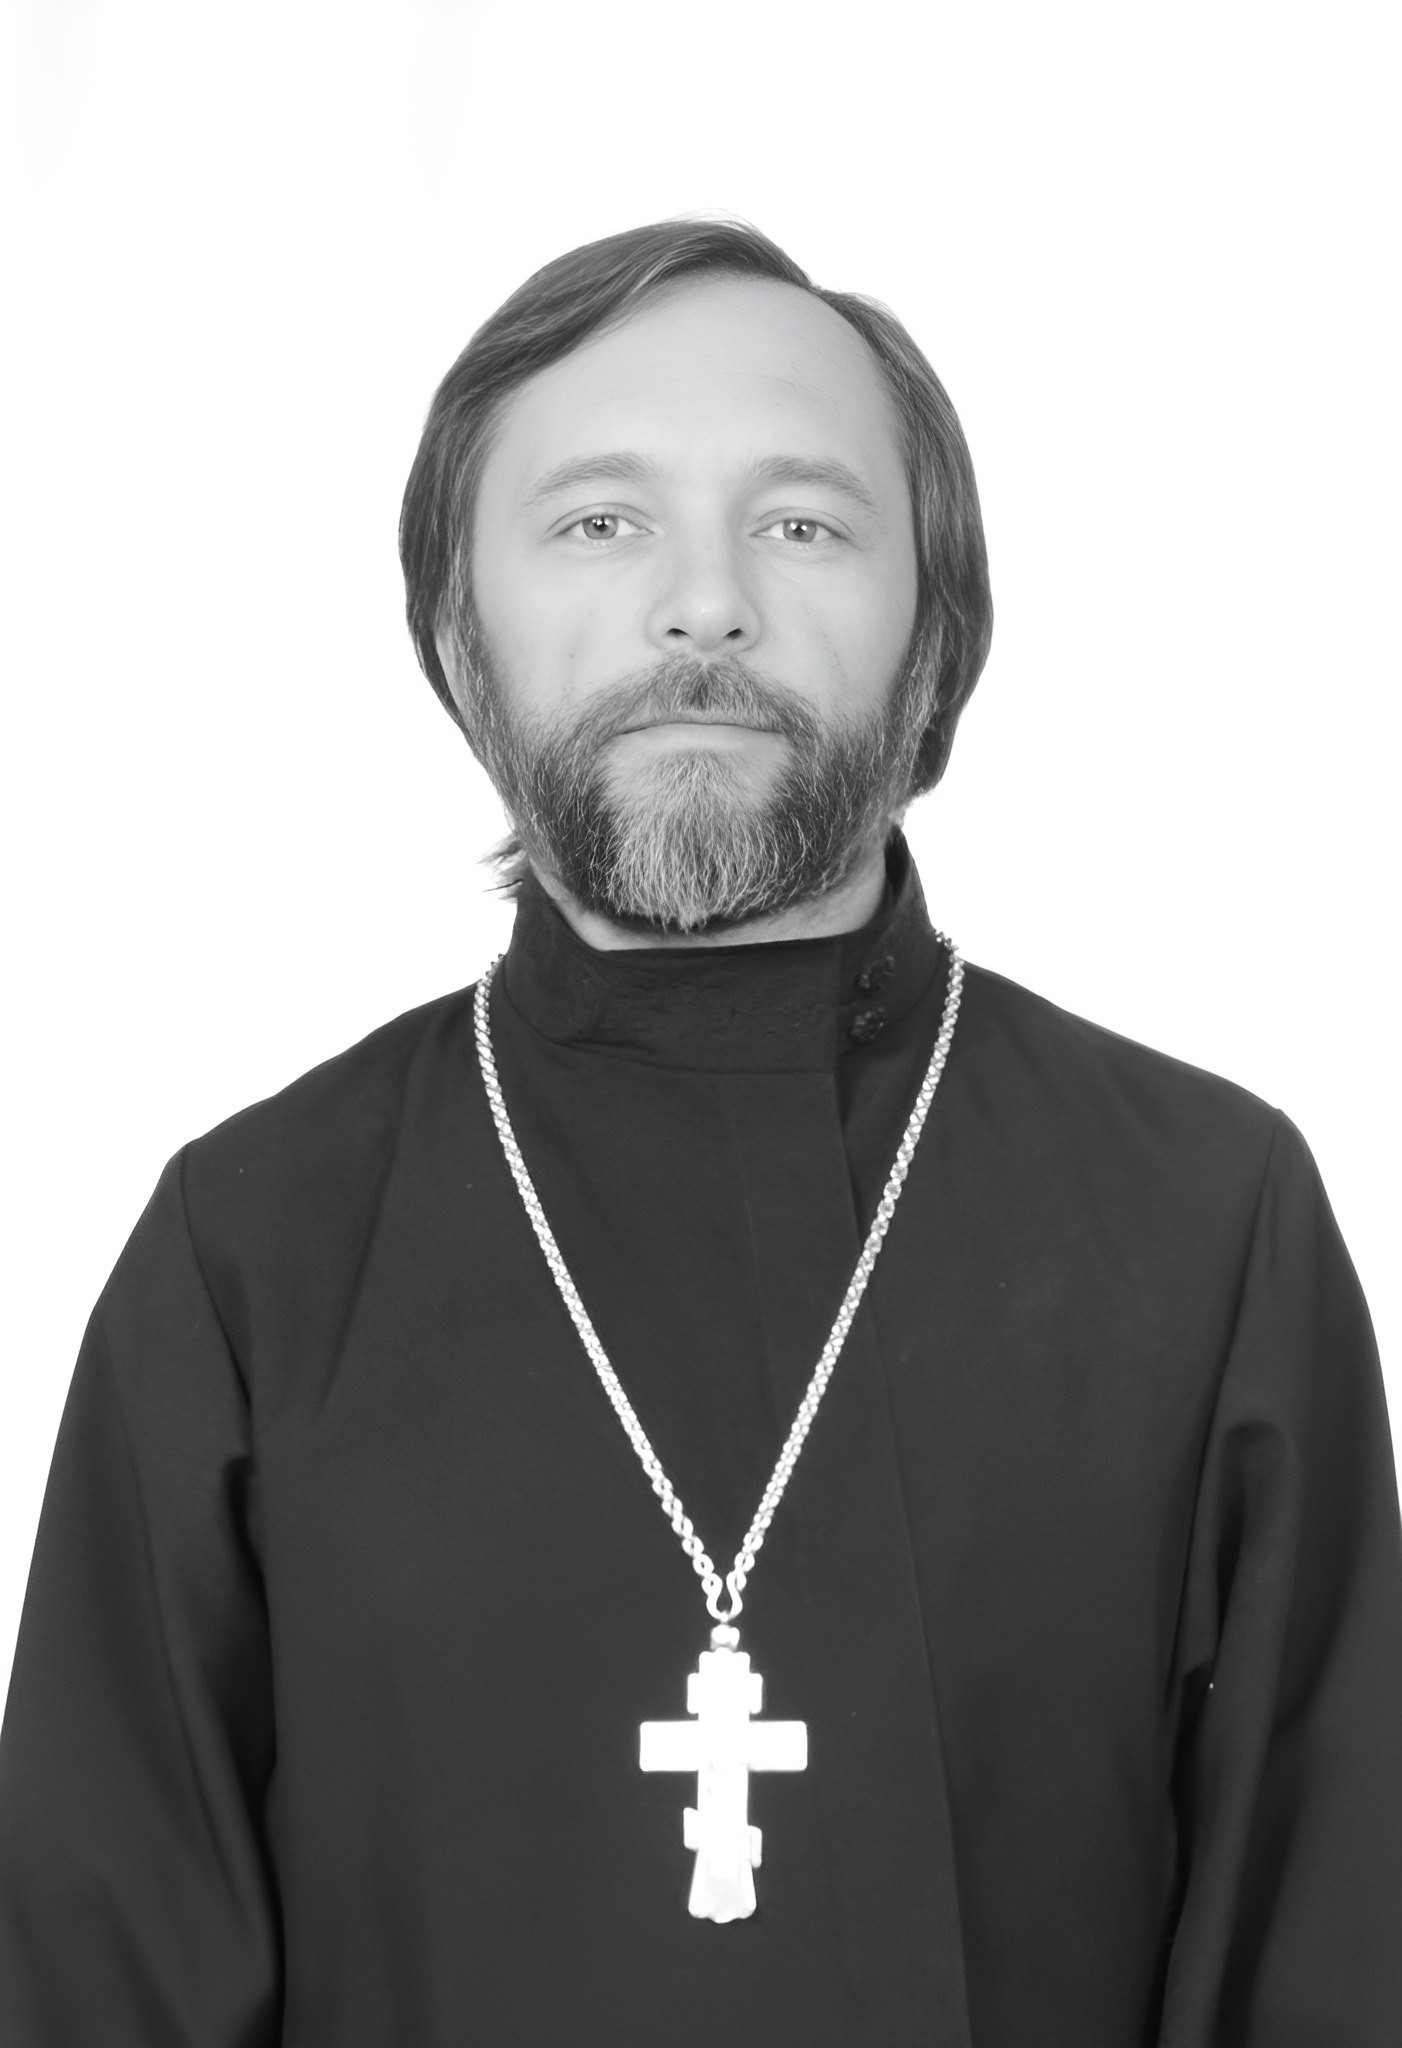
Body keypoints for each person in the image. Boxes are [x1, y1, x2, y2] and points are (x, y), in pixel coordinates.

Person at [1, 217, 1398, 2048]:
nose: (704, 604)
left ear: (936, 633)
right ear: (455, 632)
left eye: (802, 524)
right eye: (599, 521)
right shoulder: (247, 1251)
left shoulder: (1205, 1218)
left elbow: (1330, 1961)